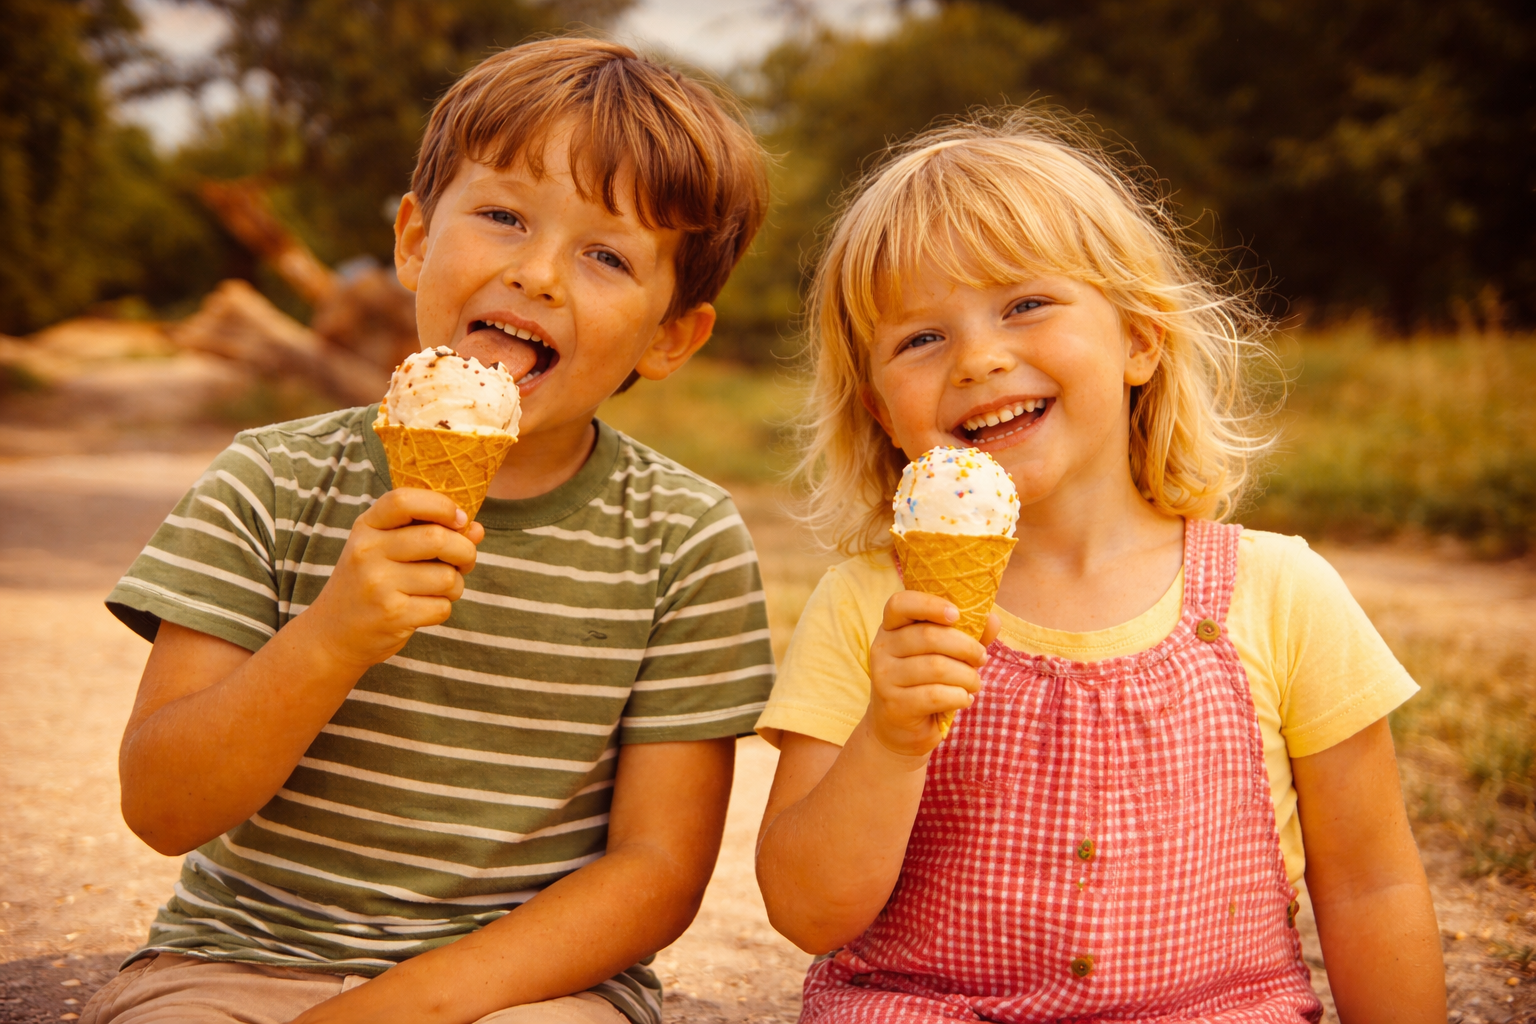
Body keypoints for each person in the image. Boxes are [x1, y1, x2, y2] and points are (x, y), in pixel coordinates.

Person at [85, 38, 773, 1024]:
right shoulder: (271, 482)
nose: (537, 274)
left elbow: (657, 871)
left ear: (671, 336)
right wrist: (334, 637)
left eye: (607, 255)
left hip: (530, 989)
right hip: (241, 961)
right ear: (413, 240)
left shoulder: (684, 540)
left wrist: (394, 1011)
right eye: (503, 216)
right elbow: (162, 806)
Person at [753, 109, 1446, 1023]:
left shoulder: (1282, 594)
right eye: (921, 339)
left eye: (1025, 305)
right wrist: (889, 739)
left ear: (1140, 340)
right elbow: (805, 912)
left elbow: (1370, 886)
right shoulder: (870, 606)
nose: (980, 360)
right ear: (882, 410)